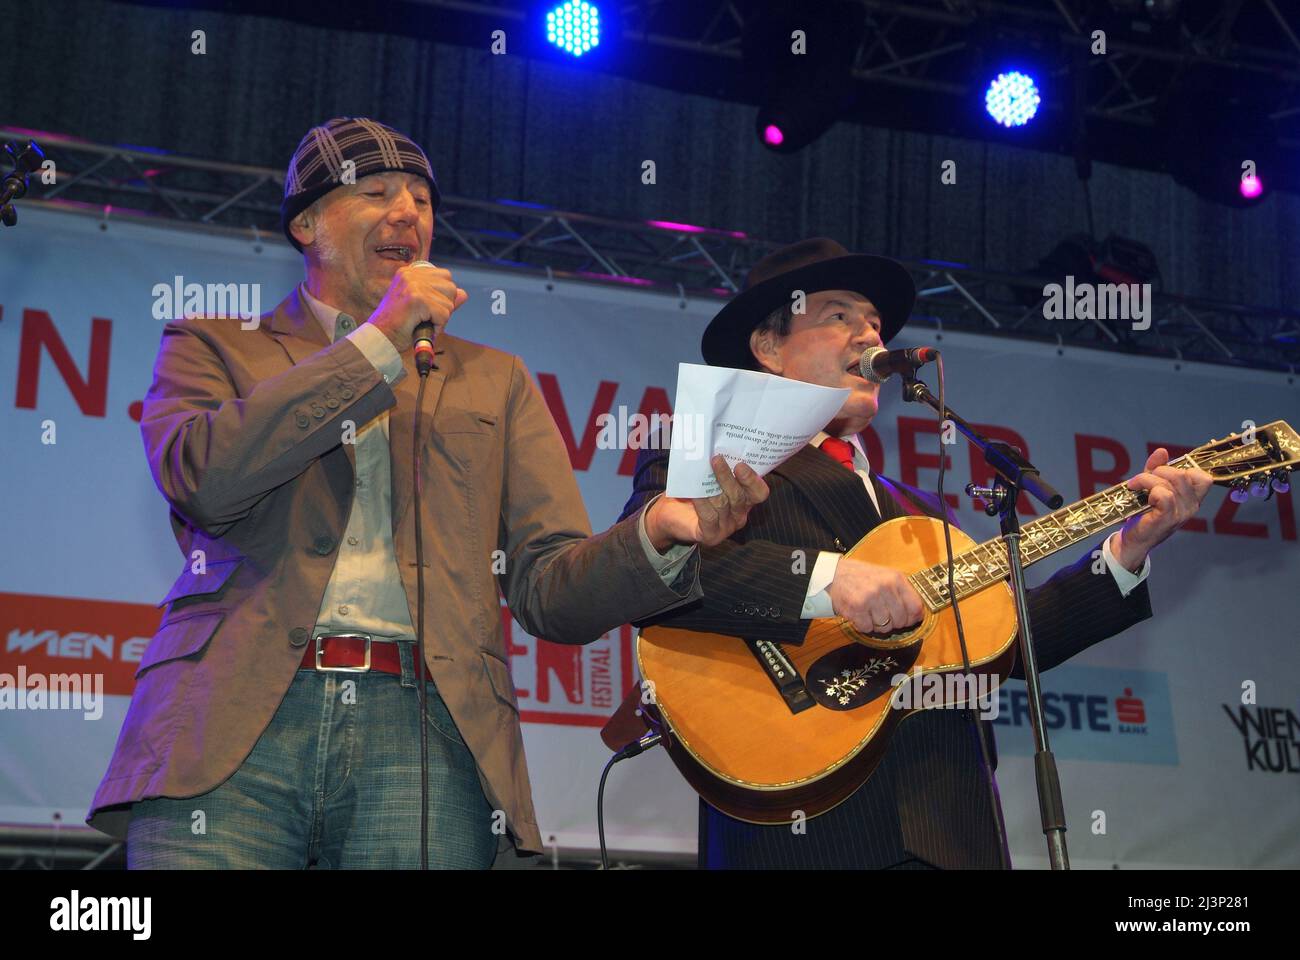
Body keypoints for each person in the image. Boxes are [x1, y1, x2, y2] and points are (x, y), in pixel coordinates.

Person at [86, 117, 766, 869]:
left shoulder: (495, 380)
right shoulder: (214, 342)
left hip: (424, 731)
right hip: (230, 723)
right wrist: (376, 344)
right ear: (307, 224)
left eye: (421, 199)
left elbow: (550, 588)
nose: (408, 213)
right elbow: (205, 480)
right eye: (375, 192)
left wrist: (660, 530)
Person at [620, 237, 1212, 869]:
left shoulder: (920, 513)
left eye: (874, 322)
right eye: (838, 316)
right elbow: (658, 571)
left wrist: (1127, 550)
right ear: (767, 348)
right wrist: (832, 581)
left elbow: (1004, 640)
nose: (868, 335)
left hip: (950, 824)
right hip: (803, 830)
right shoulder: (717, 465)